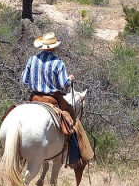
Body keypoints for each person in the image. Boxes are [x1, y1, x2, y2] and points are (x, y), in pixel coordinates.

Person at [21, 31, 89, 171]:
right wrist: (70, 79)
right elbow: (64, 84)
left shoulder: (32, 60)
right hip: (52, 99)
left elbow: (24, 80)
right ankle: (74, 158)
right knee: (73, 122)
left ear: (42, 46)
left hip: (34, 97)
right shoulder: (58, 63)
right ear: (54, 47)